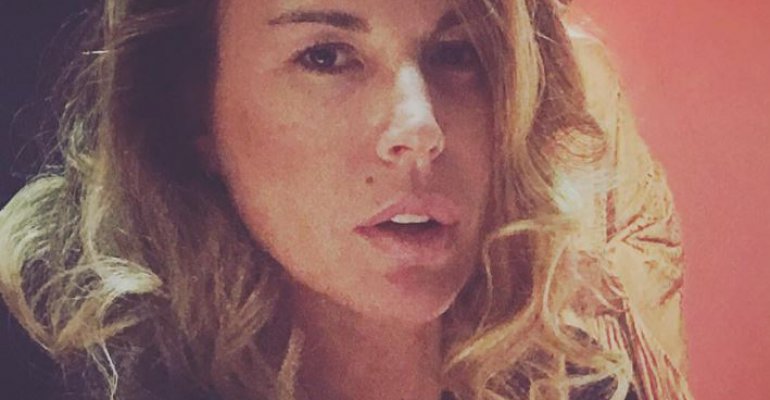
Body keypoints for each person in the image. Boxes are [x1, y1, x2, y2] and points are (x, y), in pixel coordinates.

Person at [0, 0, 692, 399]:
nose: (421, 128)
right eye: (325, 56)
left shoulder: (580, 382)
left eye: (459, 52)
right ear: (192, 108)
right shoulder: (55, 370)